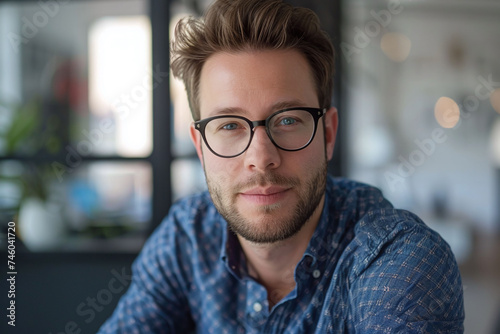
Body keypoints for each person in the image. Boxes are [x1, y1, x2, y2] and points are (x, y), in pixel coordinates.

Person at [99, 0, 465, 332]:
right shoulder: (186, 239)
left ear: (328, 133)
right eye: (229, 125)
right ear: (200, 147)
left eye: (287, 120)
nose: (261, 157)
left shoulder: (397, 260)